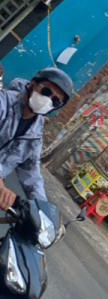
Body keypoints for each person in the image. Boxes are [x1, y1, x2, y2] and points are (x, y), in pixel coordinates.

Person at [0, 67, 73, 212]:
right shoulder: (4, 103)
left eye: (56, 101)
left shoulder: (35, 133)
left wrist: (44, 211)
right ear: (32, 84)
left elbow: (31, 172)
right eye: (46, 91)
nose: (48, 100)